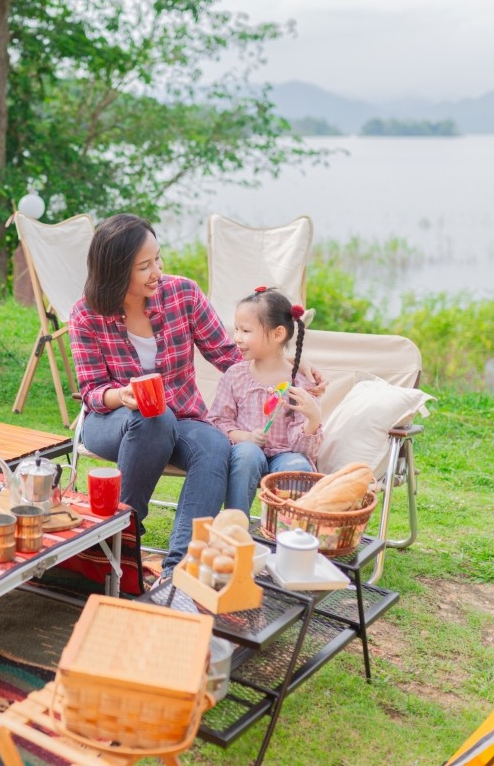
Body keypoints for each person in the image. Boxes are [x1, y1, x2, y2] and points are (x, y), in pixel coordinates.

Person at [69, 214, 240, 584]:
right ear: (115, 271)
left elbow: (228, 355)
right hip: (110, 420)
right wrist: (123, 395)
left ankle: (178, 569)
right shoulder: (86, 314)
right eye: (144, 266)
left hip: (180, 417)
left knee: (213, 445)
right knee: (153, 416)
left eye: (158, 259)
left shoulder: (184, 294)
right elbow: (92, 391)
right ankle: (122, 539)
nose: (157, 271)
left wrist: (287, 370)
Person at [206, 287, 324, 514]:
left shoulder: (300, 381)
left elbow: (305, 450)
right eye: (237, 329)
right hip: (248, 453)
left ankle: (289, 534)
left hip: (287, 454)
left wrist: (312, 418)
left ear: (278, 334)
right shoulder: (236, 375)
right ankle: (236, 524)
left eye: (246, 330)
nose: (237, 337)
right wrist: (246, 437)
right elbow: (219, 421)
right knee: (246, 453)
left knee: (297, 467)